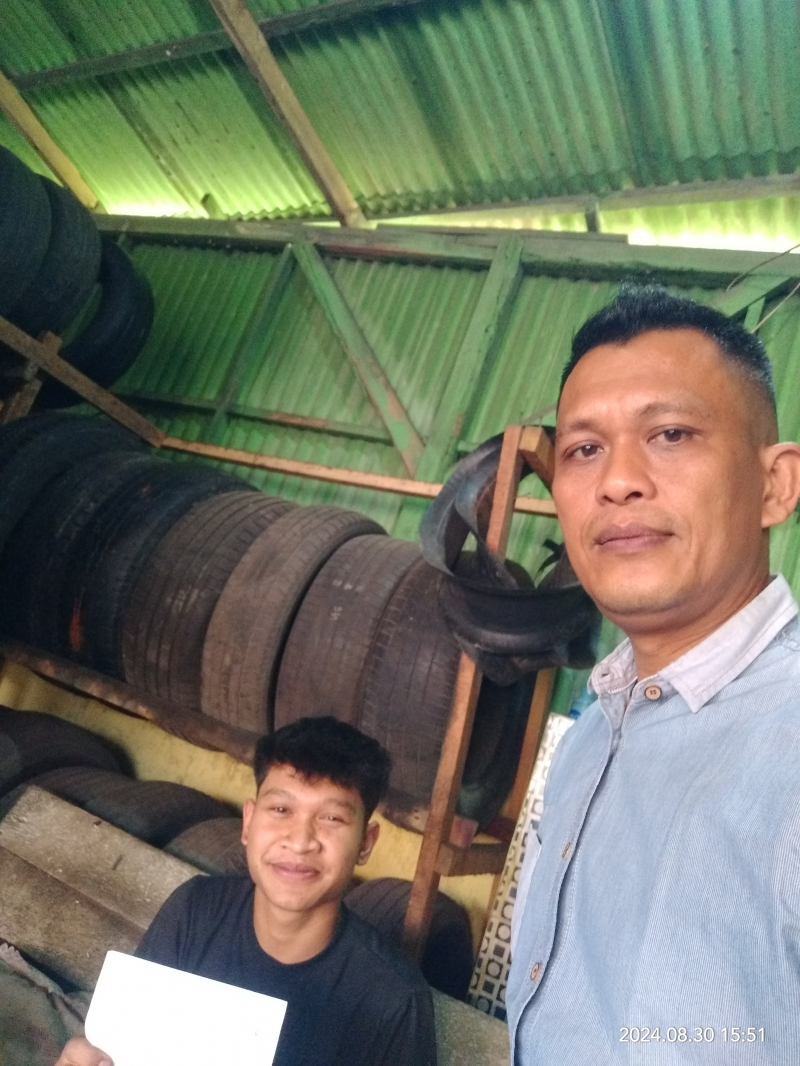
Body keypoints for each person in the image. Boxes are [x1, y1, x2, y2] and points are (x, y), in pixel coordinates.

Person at [508, 285, 800, 1064]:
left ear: (775, 485)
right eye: (583, 450)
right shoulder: (593, 731)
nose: (618, 481)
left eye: (670, 434)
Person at [56, 716, 437, 1066]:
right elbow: (128, 1047)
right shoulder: (196, 910)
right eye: (281, 810)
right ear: (248, 822)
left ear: (366, 844)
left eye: (332, 818)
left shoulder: (393, 998)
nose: (300, 840)